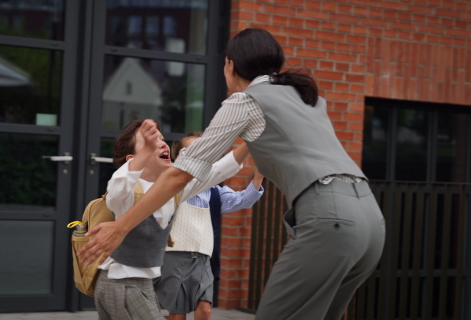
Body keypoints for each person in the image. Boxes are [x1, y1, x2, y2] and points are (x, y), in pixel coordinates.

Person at [79, 28, 386, 320]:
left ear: (230, 65)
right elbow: (224, 163)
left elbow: (181, 175)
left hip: (329, 219)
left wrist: (120, 228)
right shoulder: (309, 100)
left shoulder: (245, 100)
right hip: (371, 221)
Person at [94, 120, 251, 320]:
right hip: (121, 283)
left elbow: (218, 170)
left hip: (142, 283)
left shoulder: (174, 190)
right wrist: (143, 155)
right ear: (133, 159)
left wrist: (251, 141)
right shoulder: (127, 192)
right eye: (149, 142)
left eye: (161, 138)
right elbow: (118, 187)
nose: (160, 143)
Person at [154, 132, 264, 320]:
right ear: (180, 156)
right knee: (178, 315)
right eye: (192, 150)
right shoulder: (172, 185)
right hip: (174, 256)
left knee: (205, 310)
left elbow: (244, 200)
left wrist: (258, 177)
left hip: (204, 258)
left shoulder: (214, 193)